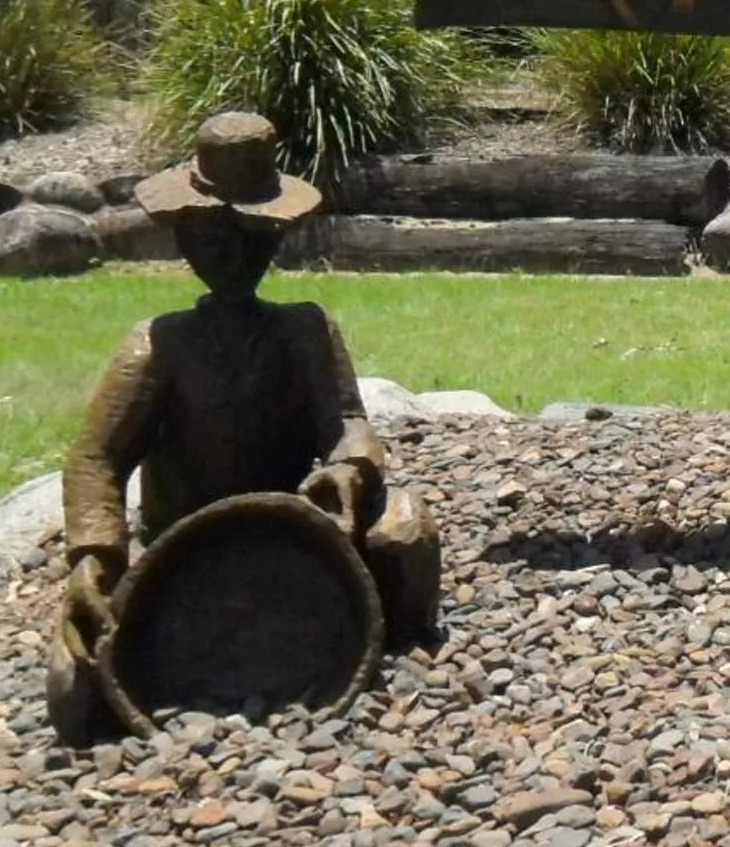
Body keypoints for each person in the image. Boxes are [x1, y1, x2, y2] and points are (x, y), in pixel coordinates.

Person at [47, 113, 441, 743]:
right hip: (183, 550)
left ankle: (394, 635)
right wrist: (94, 555)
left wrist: (347, 468)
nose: (232, 254)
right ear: (185, 239)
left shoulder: (304, 330)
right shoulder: (159, 346)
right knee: (75, 691)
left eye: (250, 237)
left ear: (274, 240)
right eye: (213, 237)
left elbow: (346, 422)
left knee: (405, 530)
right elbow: (98, 459)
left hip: (295, 536)